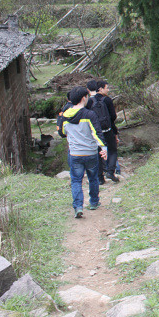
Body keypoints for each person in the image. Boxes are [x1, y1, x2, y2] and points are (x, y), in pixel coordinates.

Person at [58, 86, 107, 218]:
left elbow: (62, 133)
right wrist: (103, 148)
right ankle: (94, 202)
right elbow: (96, 133)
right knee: (93, 178)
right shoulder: (89, 114)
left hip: (74, 154)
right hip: (90, 153)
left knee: (76, 181)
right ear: (84, 98)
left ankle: (78, 207)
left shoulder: (65, 116)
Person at [91, 80, 120, 183]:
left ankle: (100, 179)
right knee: (112, 150)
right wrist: (115, 132)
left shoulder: (91, 101)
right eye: (107, 88)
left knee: (99, 153)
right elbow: (113, 117)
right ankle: (111, 172)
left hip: (97, 132)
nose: (108, 90)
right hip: (108, 130)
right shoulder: (107, 100)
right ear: (100, 89)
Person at [86, 79, 107, 184]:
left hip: (94, 131)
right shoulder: (104, 99)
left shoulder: (88, 102)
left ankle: (99, 178)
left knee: (97, 154)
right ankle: (110, 170)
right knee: (106, 150)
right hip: (105, 129)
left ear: (87, 90)